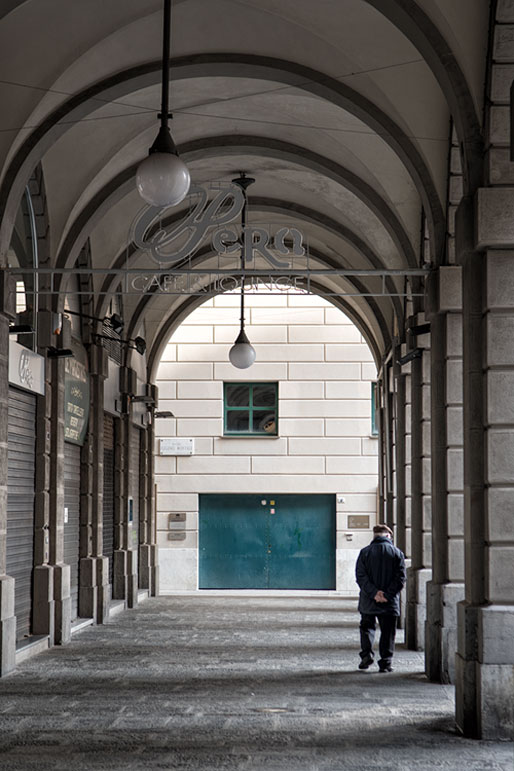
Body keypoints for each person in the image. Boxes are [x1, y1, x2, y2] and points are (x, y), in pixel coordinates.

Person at [355, 524, 406, 673]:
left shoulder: (364, 553)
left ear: (375, 536)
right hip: (389, 602)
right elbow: (401, 578)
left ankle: (366, 655)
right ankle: (385, 662)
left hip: (368, 600)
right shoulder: (397, 553)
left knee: (366, 628)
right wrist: (387, 595)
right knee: (388, 631)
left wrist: (374, 593)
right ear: (389, 536)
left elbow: (360, 576)